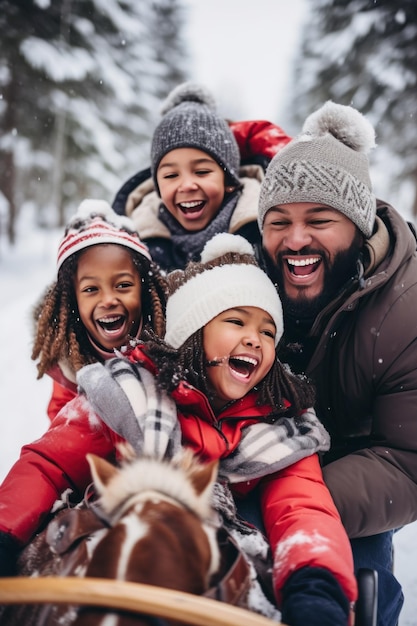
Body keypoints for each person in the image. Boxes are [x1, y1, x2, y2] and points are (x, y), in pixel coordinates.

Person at [0, 233, 357, 626]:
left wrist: (316, 585)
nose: (254, 338)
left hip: (213, 565)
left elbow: (302, 509)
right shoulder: (128, 393)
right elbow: (48, 464)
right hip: (109, 543)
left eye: (268, 332)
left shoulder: (280, 428)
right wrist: (5, 533)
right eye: (236, 321)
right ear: (193, 333)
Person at [256, 99, 417, 626]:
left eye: (319, 220)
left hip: (355, 480)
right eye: (278, 222)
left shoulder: (405, 309)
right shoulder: (245, 285)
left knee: (361, 594)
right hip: (248, 469)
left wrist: (295, 501)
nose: (295, 239)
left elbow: (408, 460)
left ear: (357, 224)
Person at [111, 81, 291, 272]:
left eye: (202, 172)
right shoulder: (136, 241)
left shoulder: (264, 229)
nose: (187, 185)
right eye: (171, 175)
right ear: (157, 187)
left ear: (228, 180)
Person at [31, 199, 167, 420]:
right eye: (91, 289)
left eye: (123, 285)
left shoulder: (171, 352)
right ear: (72, 301)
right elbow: (61, 439)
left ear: (144, 290)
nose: (108, 300)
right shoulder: (70, 368)